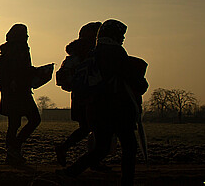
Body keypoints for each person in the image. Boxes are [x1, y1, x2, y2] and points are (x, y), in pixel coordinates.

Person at [60, 19, 147, 186]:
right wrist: (142, 84)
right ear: (114, 35)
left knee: (101, 148)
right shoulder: (115, 52)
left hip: (96, 108)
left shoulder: (95, 52)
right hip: (117, 108)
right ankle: (127, 181)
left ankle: (71, 172)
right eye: (121, 35)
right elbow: (130, 77)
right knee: (129, 147)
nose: (122, 38)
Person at [54, 21, 102, 167]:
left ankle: (67, 149)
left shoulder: (76, 55)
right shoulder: (88, 55)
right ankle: (91, 160)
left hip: (80, 96)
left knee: (88, 128)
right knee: (94, 127)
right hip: (88, 97)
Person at [0, 23, 40, 165]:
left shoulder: (7, 50)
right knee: (34, 119)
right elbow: (21, 70)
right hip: (20, 92)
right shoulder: (20, 49)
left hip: (10, 93)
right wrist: (35, 72)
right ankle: (14, 149)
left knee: (13, 125)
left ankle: (11, 154)